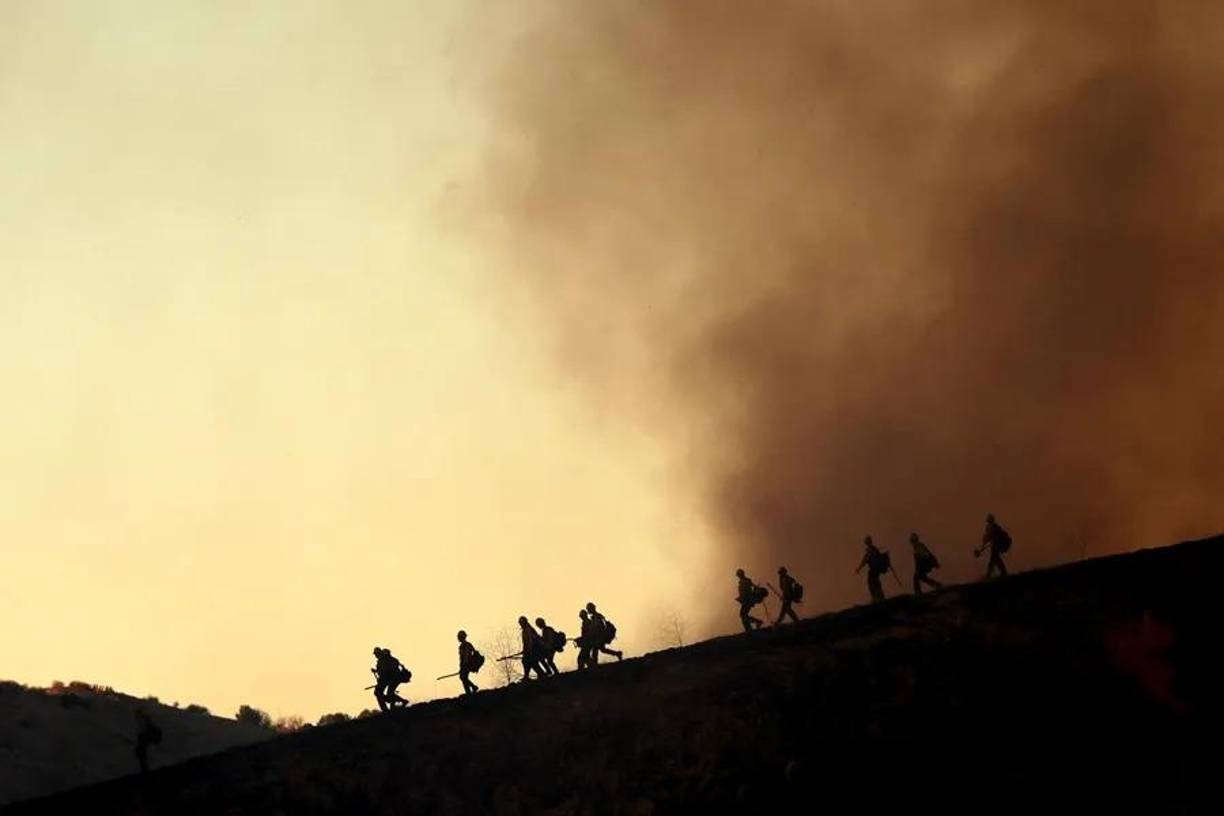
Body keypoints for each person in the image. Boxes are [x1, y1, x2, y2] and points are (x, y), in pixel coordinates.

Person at [975, 513, 1012, 579]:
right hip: (996, 546)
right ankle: (1002, 573)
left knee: (994, 560)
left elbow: (987, 538)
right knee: (995, 560)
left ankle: (990, 575)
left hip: (995, 547)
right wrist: (983, 547)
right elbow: (988, 538)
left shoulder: (991, 527)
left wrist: (982, 547)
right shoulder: (996, 527)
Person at [856, 536, 889, 602]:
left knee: (872, 583)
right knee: (875, 582)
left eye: (866, 541)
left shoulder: (871, 550)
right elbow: (865, 560)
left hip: (874, 570)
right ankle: (878, 597)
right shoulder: (874, 549)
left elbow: (865, 560)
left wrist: (859, 568)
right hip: (876, 570)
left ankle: (877, 598)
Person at [134, 708, 162, 774]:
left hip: (149, 736)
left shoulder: (144, 720)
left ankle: (145, 770)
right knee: (141, 754)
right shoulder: (145, 719)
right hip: (148, 737)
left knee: (141, 754)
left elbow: (146, 730)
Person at [457, 630, 482, 695]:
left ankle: (472, 689)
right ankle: (470, 690)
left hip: (467, 664)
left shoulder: (466, 645)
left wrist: (465, 665)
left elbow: (467, 655)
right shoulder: (461, 646)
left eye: (459, 637)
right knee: (463, 677)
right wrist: (461, 667)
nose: (458, 638)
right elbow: (461, 658)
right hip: (464, 665)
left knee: (463, 677)